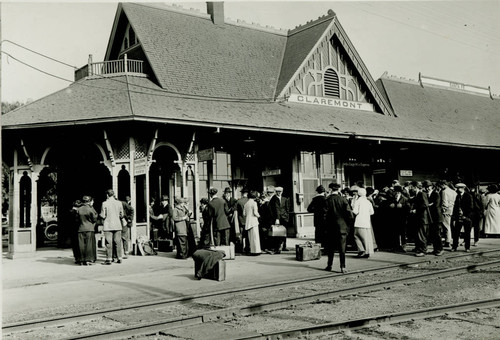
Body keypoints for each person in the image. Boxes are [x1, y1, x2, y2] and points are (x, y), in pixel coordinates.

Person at [324, 183, 352, 273]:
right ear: (338, 190)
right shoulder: (343, 199)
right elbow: (350, 215)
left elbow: (324, 215)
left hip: (330, 227)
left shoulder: (327, 200)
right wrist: (347, 225)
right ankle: (343, 267)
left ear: (331, 190)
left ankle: (329, 265)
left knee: (330, 248)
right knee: (342, 248)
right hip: (342, 227)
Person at [100, 189, 124, 265]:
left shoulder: (104, 203)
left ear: (107, 195)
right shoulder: (119, 203)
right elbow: (122, 214)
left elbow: (103, 215)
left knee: (109, 242)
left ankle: (109, 259)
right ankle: (119, 257)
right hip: (117, 224)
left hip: (108, 225)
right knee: (118, 242)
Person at [410, 181, 432, 257]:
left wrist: (416, 210)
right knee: (419, 235)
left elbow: (425, 205)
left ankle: (423, 251)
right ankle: (420, 249)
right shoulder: (417, 195)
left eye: (412, 187)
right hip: (419, 218)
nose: (411, 189)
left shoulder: (421, 194)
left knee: (422, 235)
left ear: (415, 187)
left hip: (423, 218)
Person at [352, 188, 375, 258]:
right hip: (367, 222)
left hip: (359, 222)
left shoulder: (358, 201)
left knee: (357, 236)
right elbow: (372, 212)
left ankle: (362, 250)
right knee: (366, 238)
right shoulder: (368, 202)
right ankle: (367, 251)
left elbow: (355, 211)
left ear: (358, 194)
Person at [386, 185, 409, 252]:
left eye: (396, 192)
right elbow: (387, 206)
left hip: (402, 219)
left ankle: (404, 246)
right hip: (394, 219)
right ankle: (395, 246)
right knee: (394, 233)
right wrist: (390, 206)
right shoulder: (391, 199)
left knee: (403, 233)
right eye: (394, 192)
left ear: (399, 192)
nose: (395, 193)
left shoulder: (405, 199)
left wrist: (402, 206)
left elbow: (408, 208)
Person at [424, 180, 444, 256]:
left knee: (437, 234)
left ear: (431, 187)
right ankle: (436, 249)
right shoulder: (427, 195)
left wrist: (428, 205)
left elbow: (436, 205)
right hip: (431, 217)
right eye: (426, 187)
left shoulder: (436, 194)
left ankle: (440, 249)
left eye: (428, 187)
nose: (427, 188)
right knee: (433, 234)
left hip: (437, 217)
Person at [452, 183, 474, 252]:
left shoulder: (468, 196)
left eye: (459, 188)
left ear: (463, 188)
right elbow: (455, 207)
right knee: (456, 233)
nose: (458, 189)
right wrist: (455, 217)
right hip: (459, 217)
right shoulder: (457, 196)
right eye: (457, 188)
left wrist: (465, 215)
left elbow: (470, 207)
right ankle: (454, 247)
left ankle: (467, 247)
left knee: (467, 233)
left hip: (466, 217)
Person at [76, 196, 98, 265]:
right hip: (89, 228)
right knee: (89, 245)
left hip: (80, 228)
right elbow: (94, 218)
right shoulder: (90, 209)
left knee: (81, 245)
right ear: (89, 201)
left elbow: (76, 220)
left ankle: (81, 260)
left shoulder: (79, 209)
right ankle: (88, 259)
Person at [269, 186, 290, 251]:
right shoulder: (273, 199)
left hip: (284, 218)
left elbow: (287, 208)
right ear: (275, 192)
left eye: (280, 191)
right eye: (277, 191)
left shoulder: (285, 199)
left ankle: (284, 246)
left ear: (282, 192)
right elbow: (270, 209)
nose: (278, 193)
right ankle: (277, 247)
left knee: (284, 233)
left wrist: (286, 215)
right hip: (276, 218)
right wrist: (274, 218)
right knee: (277, 233)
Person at [438, 180, 457, 248]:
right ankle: (449, 240)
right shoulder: (453, 191)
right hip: (452, 210)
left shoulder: (444, 192)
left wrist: (443, 210)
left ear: (443, 184)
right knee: (449, 225)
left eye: (440, 185)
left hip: (446, 210)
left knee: (446, 226)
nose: (440, 187)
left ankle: (447, 241)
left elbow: (444, 202)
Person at [243, 190, 261, 255]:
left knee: (250, 237)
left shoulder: (246, 204)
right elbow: (255, 213)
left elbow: (244, 214)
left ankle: (251, 250)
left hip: (248, 222)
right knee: (255, 237)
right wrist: (259, 216)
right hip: (254, 221)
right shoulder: (254, 203)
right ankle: (256, 251)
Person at [236, 188, 250, 253]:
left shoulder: (239, 201)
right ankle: (247, 248)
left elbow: (237, 212)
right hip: (248, 220)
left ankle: (240, 249)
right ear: (247, 193)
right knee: (248, 236)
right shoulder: (250, 201)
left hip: (241, 220)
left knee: (241, 235)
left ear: (242, 193)